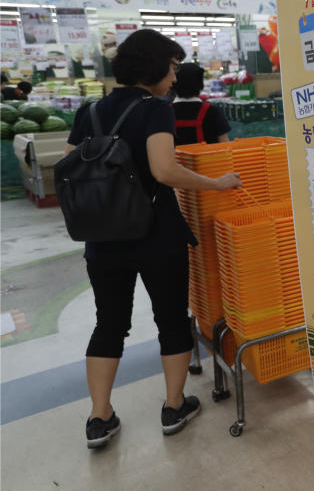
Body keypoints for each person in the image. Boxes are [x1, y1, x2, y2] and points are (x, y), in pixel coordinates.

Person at [65, 29, 242, 450]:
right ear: (155, 67)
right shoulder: (154, 109)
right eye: (173, 66)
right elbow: (164, 170)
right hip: (154, 234)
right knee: (170, 318)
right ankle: (174, 405)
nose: (174, 76)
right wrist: (216, 184)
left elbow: (72, 166)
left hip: (102, 238)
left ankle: (99, 416)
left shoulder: (89, 110)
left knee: (109, 324)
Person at [171, 62, 230, 145]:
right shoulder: (213, 111)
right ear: (201, 85)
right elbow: (225, 144)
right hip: (210, 157)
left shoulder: (165, 112)